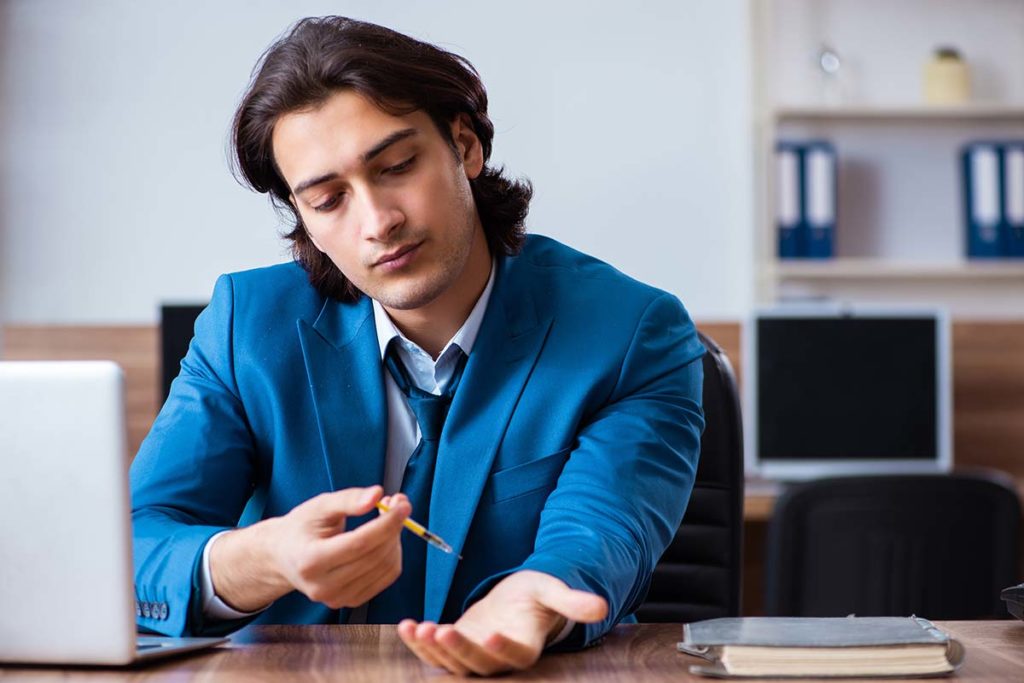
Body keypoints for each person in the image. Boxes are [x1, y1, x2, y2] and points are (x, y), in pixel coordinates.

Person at [130, 15, 705, 676]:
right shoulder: (246, 324)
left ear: (464, 146)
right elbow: (136, 543)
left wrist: (531, 603)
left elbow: (598, 533)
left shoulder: (633, 332)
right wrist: (264, 558)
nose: (378, 222)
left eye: (398, 166)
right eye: (328, 199)